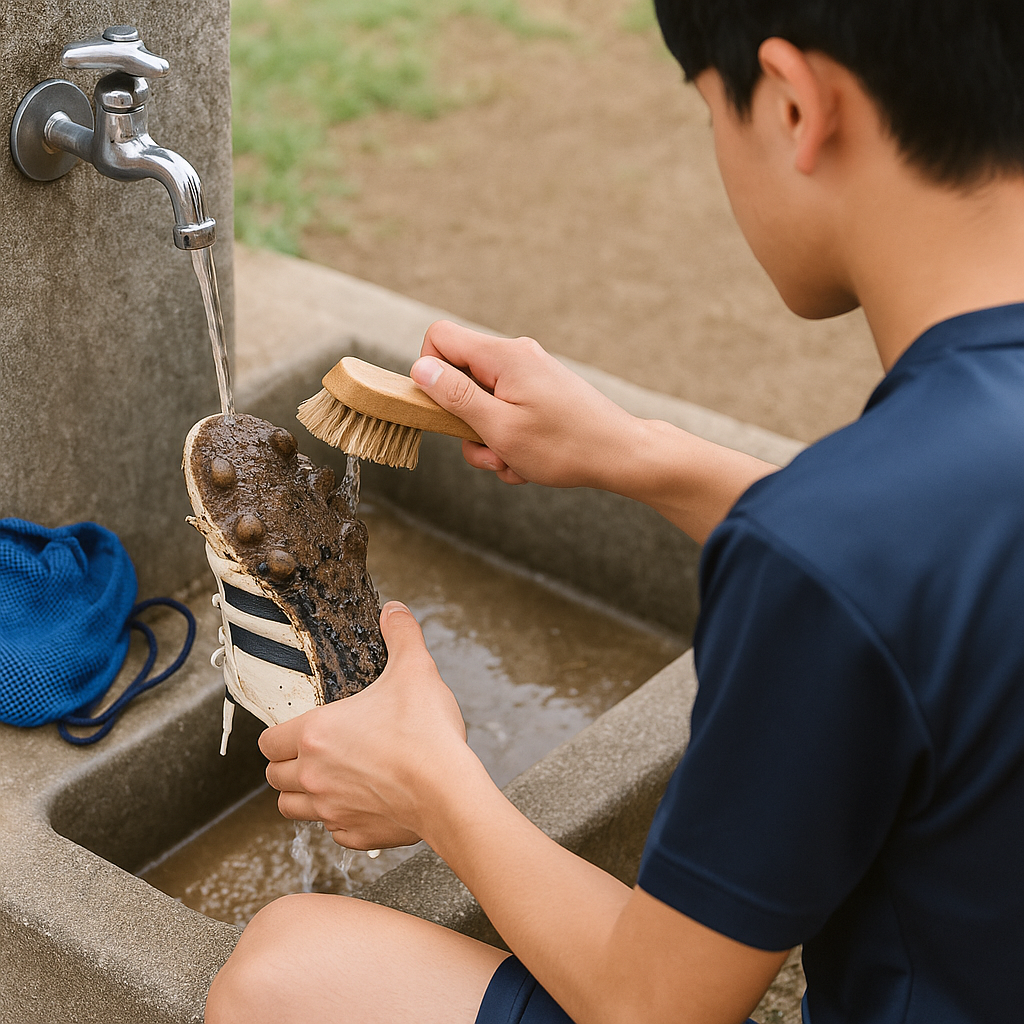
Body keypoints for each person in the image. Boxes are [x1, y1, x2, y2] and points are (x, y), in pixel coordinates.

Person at [204, 2, 1024, 1022]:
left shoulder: (829, 553)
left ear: (794, 103)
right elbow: (951, 555)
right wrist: (638, 454)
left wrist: (434, 786)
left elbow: (656, 1006)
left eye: (710, 114)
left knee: (285, 968)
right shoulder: (891, 515)